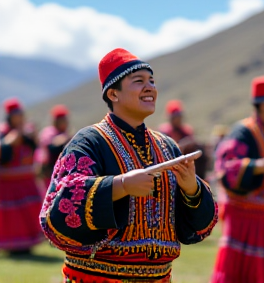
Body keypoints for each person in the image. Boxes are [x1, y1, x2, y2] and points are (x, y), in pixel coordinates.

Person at [40, 48, 218, 283]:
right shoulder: (90, 141)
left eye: (152, 81)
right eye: (139, 81)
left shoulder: (167, 146)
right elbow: (61, 204)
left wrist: (191, 189)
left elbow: (199, 224)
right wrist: (120, 185)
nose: (150, 88)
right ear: (113, 94)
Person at [211, 76, 264, 283]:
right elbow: (225, 169)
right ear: (263, 105)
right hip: (244, 219)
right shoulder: (242, 132)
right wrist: (260, 166)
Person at [0, 98, 43, 254]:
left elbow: (34, 148)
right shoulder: (3, 132)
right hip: (8, 185)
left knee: (29, 211)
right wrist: (9, 142)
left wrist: (31, 136)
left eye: (21, 114)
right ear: (10, 116)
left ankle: (28, 244)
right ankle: (13, 245)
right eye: (16, 114)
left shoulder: (26, 131)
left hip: (26, 182)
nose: (19, 117)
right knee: (12, 214)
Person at [159, 100, 209, 179]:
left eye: (179, 116)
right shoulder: (164, 132)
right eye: (175, 117)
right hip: (172, 167)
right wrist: (182, 145)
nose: (178, 119)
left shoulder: (186, 130)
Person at [35, 104, 71, 189]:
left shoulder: (65, 134)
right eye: (62, 120)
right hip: (48, 171)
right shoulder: (49, 132)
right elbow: (50, 148)